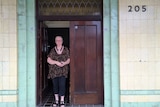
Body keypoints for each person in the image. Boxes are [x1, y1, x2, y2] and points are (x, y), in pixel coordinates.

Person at [47, 36, 70, 107]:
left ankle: (62, 100)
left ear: (62, 41)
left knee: (62, 85)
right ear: (55, 41)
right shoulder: (52, 50)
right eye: (57, 40)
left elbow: (69, 59)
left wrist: (64, 63)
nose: (59, 41)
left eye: (60, 40)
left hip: (63, 71)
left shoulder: (66, 49)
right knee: (55, 86)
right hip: (54, 72)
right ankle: (56, 100)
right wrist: (56, 62)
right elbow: (48, 60)